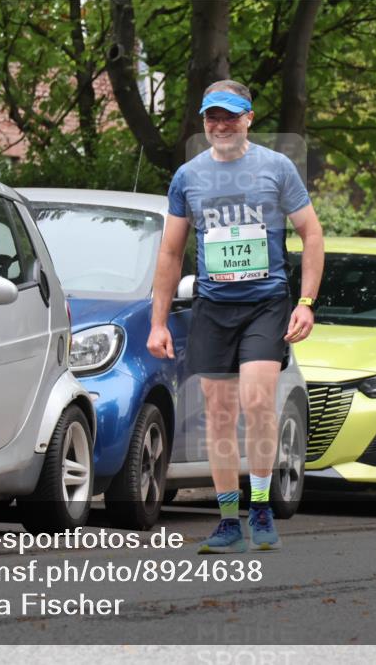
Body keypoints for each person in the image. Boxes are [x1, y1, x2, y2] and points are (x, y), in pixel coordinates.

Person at [147, 79, 324, 553]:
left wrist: (306, 302)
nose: (220, 125)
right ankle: (229, 520)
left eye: (229, 116)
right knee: (219, 412)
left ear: (249, 118)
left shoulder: (276, 168)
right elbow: (171, 252)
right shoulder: (188, 176)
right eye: (212, 117)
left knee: (257, 400)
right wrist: (158, 322)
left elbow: (311, 234)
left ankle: (260, 506)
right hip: (212, 305)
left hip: (266, 304)